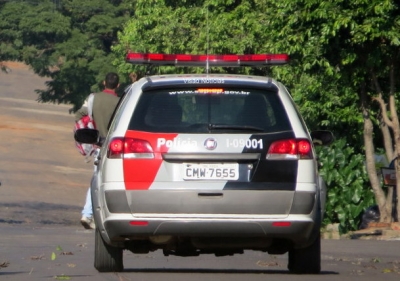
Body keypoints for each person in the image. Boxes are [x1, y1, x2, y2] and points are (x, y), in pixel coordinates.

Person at [75, 72, 120, 229]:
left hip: (96, 145)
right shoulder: (120, 102)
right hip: (114, 147)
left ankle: (88, 214)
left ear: (103, 82)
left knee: (97, 179)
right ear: (118, 85)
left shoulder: (93, 98)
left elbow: (79, 115)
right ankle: (91, 214)